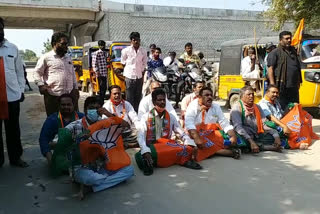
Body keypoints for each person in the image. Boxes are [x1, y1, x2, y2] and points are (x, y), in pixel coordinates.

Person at [55, 96, 134, 195]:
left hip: (100, 165)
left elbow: (126, 127)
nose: (95, 111)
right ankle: (104, 181)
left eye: (98, 108)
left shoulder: (103, 124)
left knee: (129, 170)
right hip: (82, 168)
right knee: (93, 178)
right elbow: (56, 143)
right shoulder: (74, 126)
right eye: (91, 108)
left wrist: (108, 114)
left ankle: (91, 188)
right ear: (85, 110)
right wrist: (78, 139)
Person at [135, 88, 199, 176]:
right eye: (159, 100)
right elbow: (140, 136)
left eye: (163, 100)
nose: (162, 102)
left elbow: (181, 133)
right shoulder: (145, 117)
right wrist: (145, 150)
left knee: (187, 148)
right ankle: (150, 161)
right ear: (154, 102)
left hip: (167, 147)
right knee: (140, 157)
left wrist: (190, 143)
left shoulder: (171, 117)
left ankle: (184, 161)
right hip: (152, 148)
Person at [185, 87, 241, 163]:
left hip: (210, 134)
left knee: (231, 139)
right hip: (194, 134)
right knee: (192, 149)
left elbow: (223, 122)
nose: (210, 97)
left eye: (211, 95)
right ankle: (224, 152)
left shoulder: (215, 106)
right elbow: (189, 123)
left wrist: (233, 135)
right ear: (200, 97)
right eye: (206, 95)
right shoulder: (193, 106)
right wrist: (197, 138)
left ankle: (214, 151)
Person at [0, 17, 28, 167]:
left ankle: (15, 157)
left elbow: (19, 72)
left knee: (13, 130)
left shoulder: (12, 48)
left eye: (1, 27)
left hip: (12, 97)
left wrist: (21, 90)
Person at [258, 84, 318, 150]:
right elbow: (271, 117)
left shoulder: (276, 102)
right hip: (270, 125)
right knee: (287, 130)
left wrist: (289, 108)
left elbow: (282, 115)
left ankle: (297, 142)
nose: (275, 94)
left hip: (280, 123)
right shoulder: (263, 103)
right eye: (273, 92)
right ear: (267, 93)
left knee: (299, 124)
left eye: (277, 93)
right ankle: (294, 144)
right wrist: (284, 126)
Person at [34, 32, 79, 116]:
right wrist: (41, 85)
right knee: (55, 122)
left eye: (67, 44)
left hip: (70, 96)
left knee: (73, 121)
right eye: (63, 44)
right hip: (53, 96)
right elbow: (37, 72)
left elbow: (72, 73)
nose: (66, 46)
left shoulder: (68, 57)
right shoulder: (46, 57)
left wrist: (75, 88)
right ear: (54, 44)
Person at [230, 86, 282, 153]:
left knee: (276, 135)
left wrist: (276, 136)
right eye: (249, 94)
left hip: (256, 135)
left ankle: (255, 146)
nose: (251, 96)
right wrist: (251, 141)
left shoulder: (257, 107)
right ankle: (265, 147)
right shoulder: (237, 108)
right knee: (238, 140)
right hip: (244, 136)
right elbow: (238, 128)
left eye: (252, 94)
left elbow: (264, 124)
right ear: (242, 96)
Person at [39, 94, 84, 166]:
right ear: (58, 106)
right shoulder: (52, 119)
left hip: (79, 150)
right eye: (63, 105)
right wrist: (50, 160)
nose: (66, 107)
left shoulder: (81, 117)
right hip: (61, 151)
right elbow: (43, 139)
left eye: (68, 104)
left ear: (73, 105)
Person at [267, 31, 302, 109]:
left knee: (295, 108)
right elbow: (270, 69)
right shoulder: (275, 53)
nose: (289, 40)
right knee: (282, 109)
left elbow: (296, 67)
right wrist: (273, 85)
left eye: (290, 38)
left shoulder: (293, 52)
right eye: (286, 38)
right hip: (281, 87)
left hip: (293, 87)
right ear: (280, 40)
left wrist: (298, 81)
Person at [121, 32, 148, 112]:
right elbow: (123, 63)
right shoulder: (125, 51)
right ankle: (129, 114)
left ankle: (137, 113)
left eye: (137, 40)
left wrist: (141, 70)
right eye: (134, 40)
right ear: (131, 41)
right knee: (129, 97)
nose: (136, 41)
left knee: (138, 96)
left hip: (139, 76)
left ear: (140, 40)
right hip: (129, 77)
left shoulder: (143, 51)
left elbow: (144, 62)